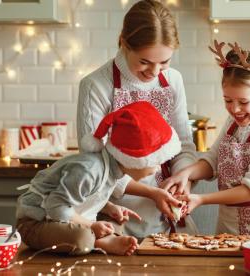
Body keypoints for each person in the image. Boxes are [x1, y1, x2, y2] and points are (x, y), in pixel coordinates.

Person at [77, 0, 197, 237]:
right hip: (115, 214)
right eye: (144, 62)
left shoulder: (173, 80)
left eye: (164, 62)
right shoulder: (96, 85)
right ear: (124, 42)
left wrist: (183, 179)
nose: (154, 72)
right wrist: (152, 193)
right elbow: (94, 165)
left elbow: (183, 144)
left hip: (168, 212)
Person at [16, 102, 183, 256]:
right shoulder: (89, 170)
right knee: (81, 239)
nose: (158, 167)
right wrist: (90, 226)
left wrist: (109, 207)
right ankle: (98, 242)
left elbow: (91, 195)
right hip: (37, 222)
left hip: (66, 219)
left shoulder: (113, 169)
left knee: (115, 223)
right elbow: (56, 207)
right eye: (154, 161)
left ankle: (102, 239)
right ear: (133, 159)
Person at [161, 40, 250, 235]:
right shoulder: (233, 124)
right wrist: (185, 174)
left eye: (243, 102)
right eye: (228, 100)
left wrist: (202, 199)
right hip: (227, 230)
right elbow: (212, 161)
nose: (235, 109)